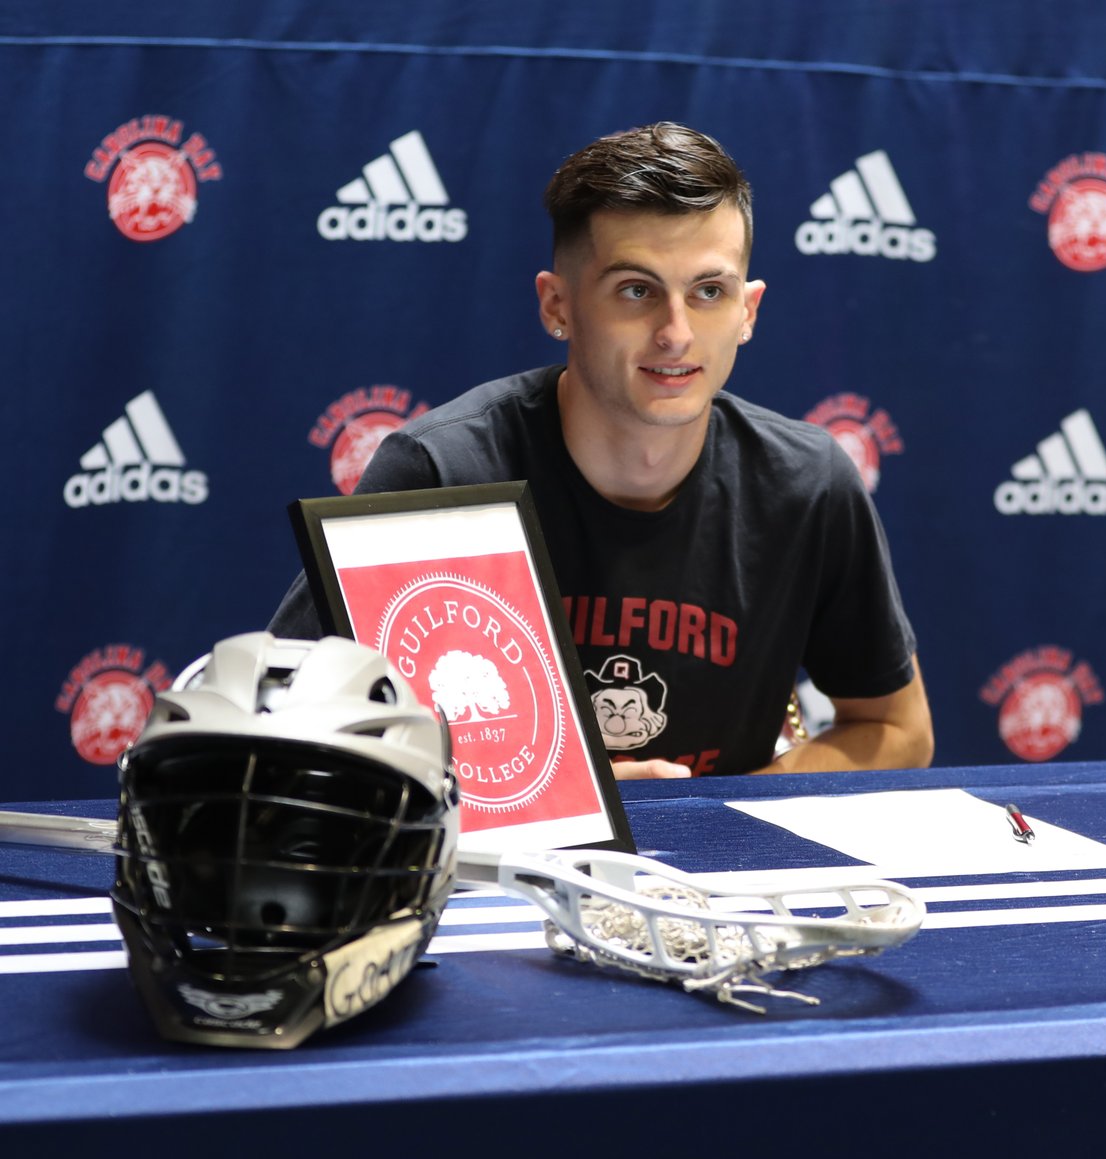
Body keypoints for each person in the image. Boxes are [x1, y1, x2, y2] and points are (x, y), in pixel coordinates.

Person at [269, 121, 934, 781]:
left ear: (748, 311)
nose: (676, 333)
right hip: (490, 850)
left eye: (709, 292)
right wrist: (572, 802)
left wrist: (721, 816)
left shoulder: (806, 482)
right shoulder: (441, 474)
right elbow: (278, 726)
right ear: (557, 306)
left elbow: (895, 730)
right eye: (636, 290)